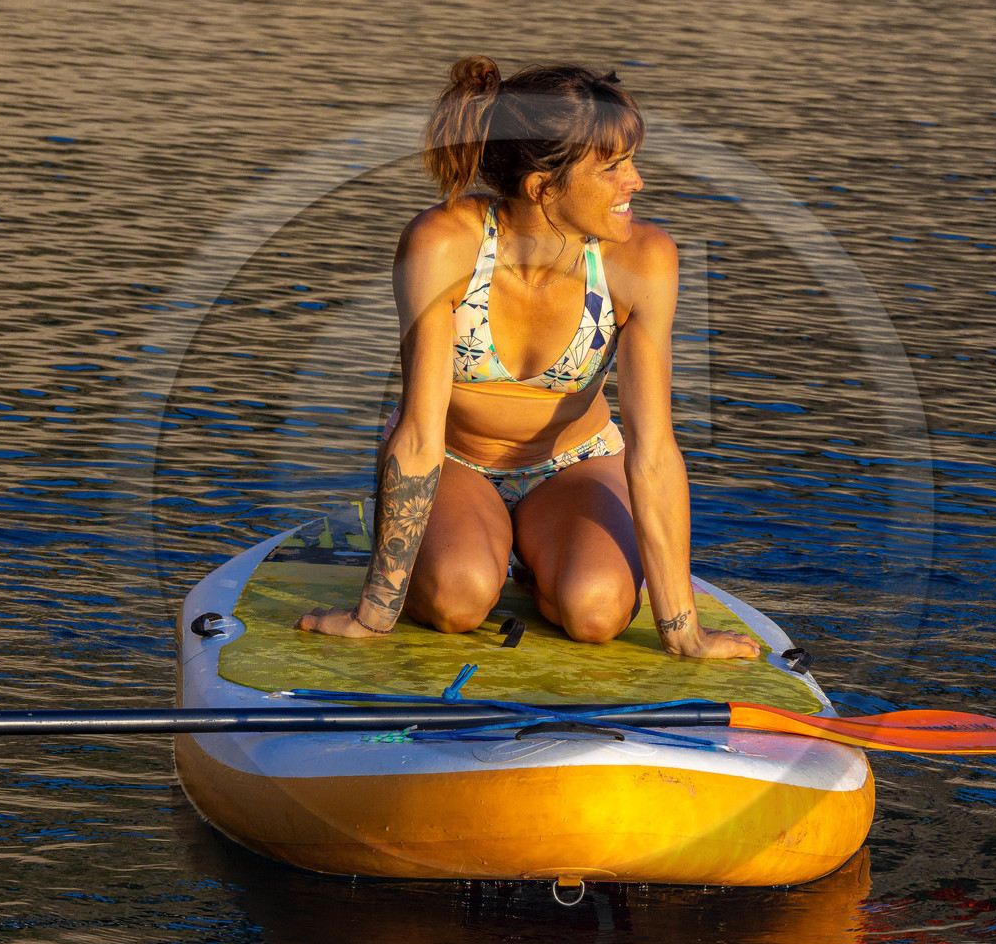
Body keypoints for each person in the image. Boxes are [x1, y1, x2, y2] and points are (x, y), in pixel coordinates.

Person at [297, 55, 758, 661]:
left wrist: (683, 631)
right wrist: (373, 616)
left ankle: (544, 567)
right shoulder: (444, 243)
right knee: (457, 603)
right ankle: (483, 554)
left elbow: (654, 449)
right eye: (614, 167)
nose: (636, 182)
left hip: (575, 465)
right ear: (544, 188)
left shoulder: (644, 259)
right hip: (454, 460)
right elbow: (417, 432)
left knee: (596, 613)